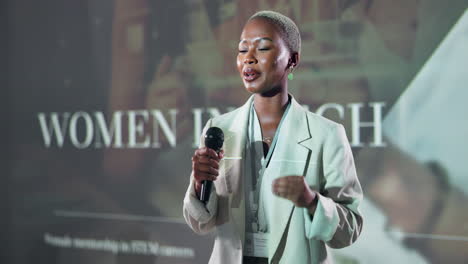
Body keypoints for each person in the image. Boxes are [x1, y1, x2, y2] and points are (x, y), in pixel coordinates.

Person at [183, 10, 363, 264]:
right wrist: (201, 184)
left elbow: (349, 229)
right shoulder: (219, 129)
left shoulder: (328, 135)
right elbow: (200, 223)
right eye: (243, 50)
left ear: (292, 60)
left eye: (263, 48)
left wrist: (313, 203)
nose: (249, 59)